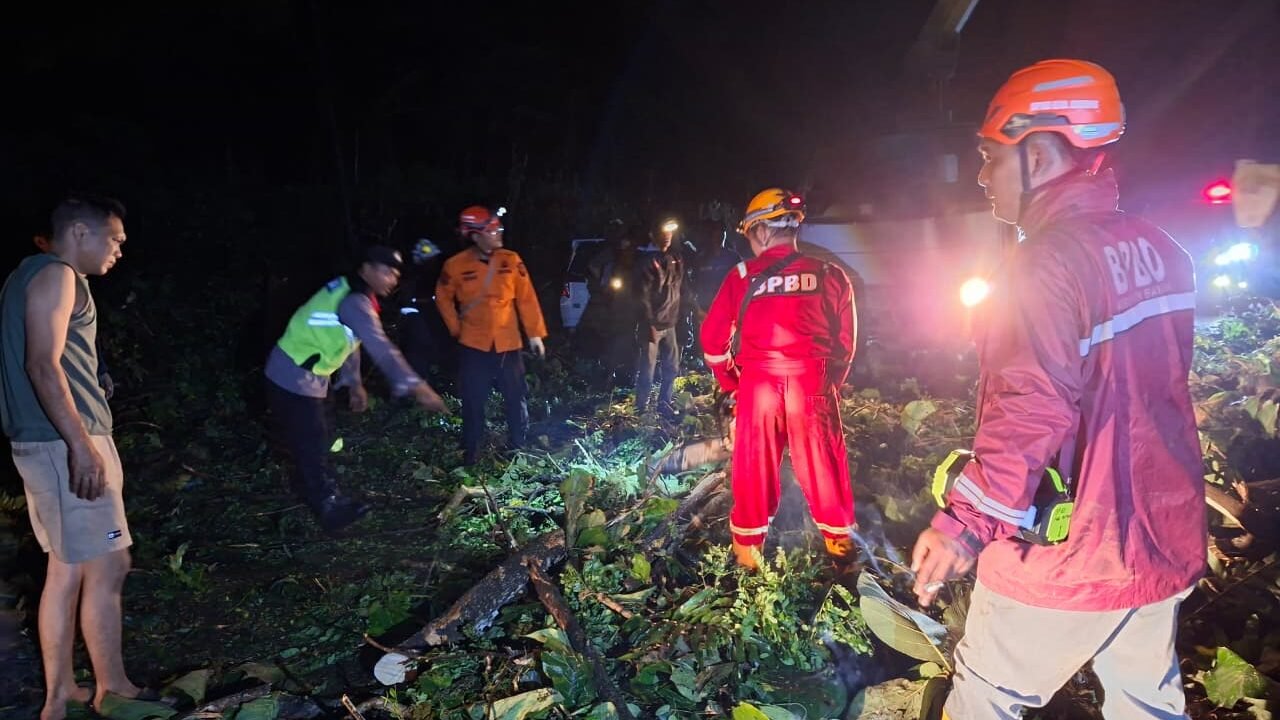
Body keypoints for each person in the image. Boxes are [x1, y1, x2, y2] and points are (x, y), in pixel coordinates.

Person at [909, 60, 1205, 719]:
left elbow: (1028, 411)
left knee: (987, 696)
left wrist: (964, 525)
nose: (983, 177)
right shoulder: (1163, 251)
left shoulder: (1041, 265)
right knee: (1146, 705)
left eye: (989, 158)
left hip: (1072, 554)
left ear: (1038, 155)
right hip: (1158, 537)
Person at [1, 196, 142, 719]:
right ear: (80, 232)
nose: (120, 250)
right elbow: (42, 366)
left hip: (51, 441)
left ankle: (62, 695)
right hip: (65, 442)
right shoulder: (58, 274)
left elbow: (52, 358)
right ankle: (114, 689)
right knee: (109, 564)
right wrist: (82, 447)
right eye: (115, 238)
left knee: (68, 571)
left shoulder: (26, 276)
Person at [700, 188, 857, 570]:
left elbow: (712, 339)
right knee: (825, 468)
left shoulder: (741, 276)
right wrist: (827, 384)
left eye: (750, 234)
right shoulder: (830, 274)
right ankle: (843, 556)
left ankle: (748, 561)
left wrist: (732, 383)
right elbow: (845, 344)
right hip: (812, 384)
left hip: (758, 386)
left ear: (762, 231)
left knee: (753, 469)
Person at [265, 245, 447, 532]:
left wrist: (354, 382)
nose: (392, 279)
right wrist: (418, 386)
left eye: (396, 273)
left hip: (314, 377)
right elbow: (382, 347)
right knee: (311, 443)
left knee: (322, 436)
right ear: (366, 269)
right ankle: (328, 510)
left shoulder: (357, 295)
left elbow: (352, 340)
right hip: (291, 376)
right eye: (386, 272)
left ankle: (329, 495)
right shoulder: (354, 301)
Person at [435, 206, 547, 465]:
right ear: (475, 236)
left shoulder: (511, 260)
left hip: (508, 342)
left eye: (499, 228)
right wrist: (456, 329)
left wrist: (534, 335)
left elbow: (527, 298)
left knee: (516, 395)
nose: (499, 234)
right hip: (473, 344)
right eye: (492, 230)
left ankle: (518, 446)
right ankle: (471, 450)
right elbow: (442, 299)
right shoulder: (455, 266)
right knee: (473, 399)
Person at [34, 233, 114, 400]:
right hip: (61, 396)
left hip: (83, 388)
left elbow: (86, 336)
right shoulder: (49, 277)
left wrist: (101, 370)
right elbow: (42, 365)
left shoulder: (78, 281)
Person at [634, 217, 685, 415]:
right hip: (652, 325)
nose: (667, 237)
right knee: (647, 369)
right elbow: (641, 295)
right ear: (653, 235)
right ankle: (641, 409)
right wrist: (649, 323)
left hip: (670, 322)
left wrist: (693, 309)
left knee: (671, 366)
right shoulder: (645, 261)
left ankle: (664, 403)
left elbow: (681, 287)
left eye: (670, 233)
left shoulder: (675, 258)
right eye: (663, 233)